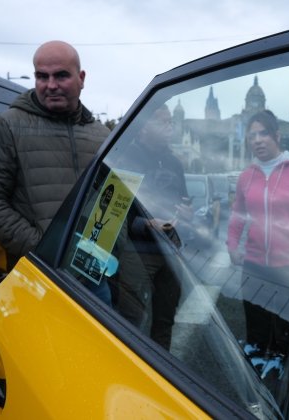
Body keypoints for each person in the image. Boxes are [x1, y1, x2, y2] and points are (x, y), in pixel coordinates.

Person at [0, 40, 110, 270]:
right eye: (42, 76)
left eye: (61, 75)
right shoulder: (7, 126)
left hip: (95, 272)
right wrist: (44, 250)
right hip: (39, 275)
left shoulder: (102, 135)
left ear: (81, 78)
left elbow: (111, 200)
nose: (50, 85)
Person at [226, 110, 289, 359]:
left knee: (285, 339)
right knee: (256, 339)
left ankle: (280, 391)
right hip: (254, 269)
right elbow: (238, 214)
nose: (257, 140)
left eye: (263, 133)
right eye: (252, 135)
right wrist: (232, 245)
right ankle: (254, 391)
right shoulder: (246, 176)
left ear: (277, 136)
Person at [114, 104, 192, 347]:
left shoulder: (174, 162)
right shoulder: (124, 160)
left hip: (170, 249)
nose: (170, 127)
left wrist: (186, 213)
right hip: (137, 253)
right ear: (144, 126)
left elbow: (183, 201)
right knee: (130, 319)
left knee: (165, 319)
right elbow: (115, 213)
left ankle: (161, 373)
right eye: (162, 122)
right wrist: (146, 224)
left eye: (171, 122)